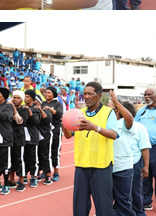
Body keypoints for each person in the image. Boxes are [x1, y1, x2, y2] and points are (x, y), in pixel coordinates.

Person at [64, 82, 118, 216]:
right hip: (82, 165)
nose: (86, 96)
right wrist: (65, 124)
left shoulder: (108, 112)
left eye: (90, 94)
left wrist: (95, 128)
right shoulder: (79, 113)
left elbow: (114, 134)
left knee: (103, 206)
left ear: (99, 95)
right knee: (79, 207)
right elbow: (68, 135)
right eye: (84, 93)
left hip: (101, 166)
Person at [108, 90, 136, 216]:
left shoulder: (125, 123)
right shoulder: (107, 123)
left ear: (117, 111)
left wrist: (116, 102)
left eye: (110, 107)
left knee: (123, 201)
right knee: (106, 200)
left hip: (123, 168)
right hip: (106, 167)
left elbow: (129, 117)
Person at [138, 87, 156, 212]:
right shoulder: (141, 111)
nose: (146, 97)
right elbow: (135, 127)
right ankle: (146, 202)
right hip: (144, 148)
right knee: (145, 176)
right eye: (145, 94)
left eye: (149, 94)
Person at [41, 86, 64, 184]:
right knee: (46, 151)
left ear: (54, 94)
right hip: (46, 130)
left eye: (49, 92)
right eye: (46, 92)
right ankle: (46, 170)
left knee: (55, 150)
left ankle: (56, 172)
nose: (46, 94)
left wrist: (50, 109)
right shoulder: (43, 103)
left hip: (56, 130)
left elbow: (59, 114)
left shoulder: (58, 103)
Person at [23, 90, 45, 188]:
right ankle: (23, 174)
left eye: (28, 96)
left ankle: (33, 177)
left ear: (32, 98)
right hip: (22, 137)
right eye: (25, 96)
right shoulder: (21, 107)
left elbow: (36, 121)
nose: (25, 98)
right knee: (23, 157)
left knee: (33, 157)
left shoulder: (35, 109)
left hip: (32, 137)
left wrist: (29, 111)